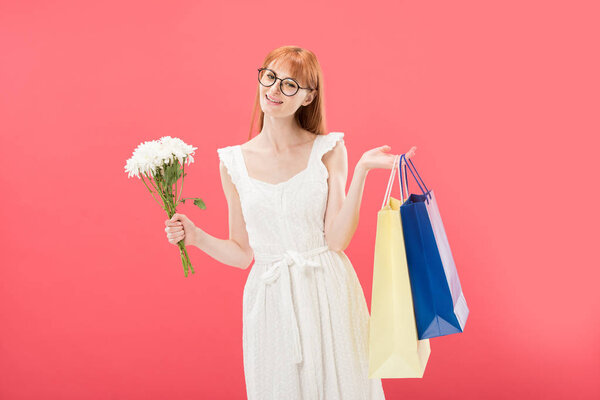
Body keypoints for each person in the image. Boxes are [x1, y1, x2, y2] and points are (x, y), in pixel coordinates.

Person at [165, 46, 416, 400]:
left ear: (308, 96)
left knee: (344, 386)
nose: (274, 90)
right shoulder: (233, 163)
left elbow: (337, 240)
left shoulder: (328, 149)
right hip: (271, 300)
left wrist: (361, 171)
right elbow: (241, 254)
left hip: (328, 289)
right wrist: (195, 236)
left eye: (289, 85)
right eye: (269, 77)